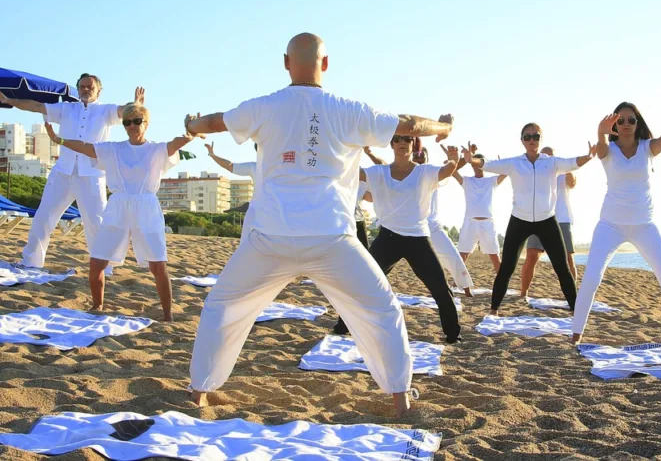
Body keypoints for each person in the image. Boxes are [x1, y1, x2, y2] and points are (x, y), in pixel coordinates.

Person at [184, 33, 455, 417]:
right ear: (326, 64)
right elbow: (410, 124)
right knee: (382, 309)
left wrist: (191, 124)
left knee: (222, 306)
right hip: (331, 238)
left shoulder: (264, 106)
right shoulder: (348, 110)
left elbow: (214, 121)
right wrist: (443, 129)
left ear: (285, 62)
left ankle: (199, 392)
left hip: (270, 237)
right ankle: (400, 398)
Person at [42, 103, 193, 321]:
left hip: (146, 206)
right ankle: (97, 305)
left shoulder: (156, 149)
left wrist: (190, 133)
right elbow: (86, 147)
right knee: (97, 262)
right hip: (118, 205)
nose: (132, 125)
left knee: (158, 265)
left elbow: (176, 143)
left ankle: (167, 315)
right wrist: (60, 140)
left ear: (146, 124)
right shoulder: (114, 149)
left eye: (137, 121)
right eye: (127, 122)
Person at [0, 77, 143, 273]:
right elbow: (35, 106)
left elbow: (125, 111)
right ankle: (31, 262)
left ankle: (104, 269)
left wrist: (136, 105)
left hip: (92, 174)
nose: (86, 89)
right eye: (82, 87)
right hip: (62, 172)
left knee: (96, 223)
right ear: (78, 89)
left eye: (90, 87)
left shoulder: (106, 111)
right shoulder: (67, 109)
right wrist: (8, 100)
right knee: (43, 218)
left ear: (99, 90)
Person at [571, 105, 661, 346]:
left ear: (637, 123)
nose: (626, 124)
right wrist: (601, 131)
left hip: (645, 226)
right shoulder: (608, 150)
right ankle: (575, 336)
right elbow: (600, 148)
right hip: (610, 225)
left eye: (631, 120)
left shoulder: (647, 148)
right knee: (591, 279)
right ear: (614, 124)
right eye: (621, 120)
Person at [333, 136, 462, 341]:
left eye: (407, 139)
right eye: (397, 139)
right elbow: (351, 172)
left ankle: (453, 333)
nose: (402, 142)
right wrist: (341, 149)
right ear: (391, 144)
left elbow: (446, 170)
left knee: (440, 286)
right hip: (388, 238)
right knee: (363, 282)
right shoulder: (379, 172)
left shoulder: (424, 172)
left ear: (413, 144)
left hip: (418, 238)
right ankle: (343, 325)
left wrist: (454, 159)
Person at [463, 124, 595, 315]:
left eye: (536, 136)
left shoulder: (552, 162)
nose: (532, 140)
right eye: (527, 137)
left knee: (562, 267)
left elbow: (572, 162)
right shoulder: (514, 163)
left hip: (547, 220)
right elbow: (488, 164)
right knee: (507, 268)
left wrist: (589, 156)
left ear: (541, 139)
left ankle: (576, 311)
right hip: (520, 220)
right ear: (522, 140)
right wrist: (471, 160)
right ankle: (493, 310)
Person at [360, 143, 475, 297]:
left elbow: (452, 168)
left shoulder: (430, 173)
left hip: (432, 226)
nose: (419, 158)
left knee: (453, 256)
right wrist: (370, 153)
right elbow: (383, 167)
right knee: (374, 270)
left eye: (422, 156)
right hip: (410, 228)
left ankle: (466, 289)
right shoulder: (403, 173)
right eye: (417, 155)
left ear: (427, 158)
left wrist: (464, 159)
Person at [520, 146, 579, 298]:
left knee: (567, 258)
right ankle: (523, 292)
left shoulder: (563, 173)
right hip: (537, 219)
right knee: (531, 256)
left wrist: (567, 167)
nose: (546, 158)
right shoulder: (534, 173)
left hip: (562, 219)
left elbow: (572, 183)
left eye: (549, 156)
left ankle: (572, 294)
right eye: (544, 155)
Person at [454, 143, 506, 273]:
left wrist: (501, 165)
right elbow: (452, 171)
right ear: (472, 165)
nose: (477, 166)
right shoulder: (467, 181)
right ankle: (456, 282)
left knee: (495, 258)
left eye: (480, 163)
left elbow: (505, 173)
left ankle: (502, 283)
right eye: (474, 163)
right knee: (462, 256)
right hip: (470, 223)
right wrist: (467, 158)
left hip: (487, 223)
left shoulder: (491, 181)